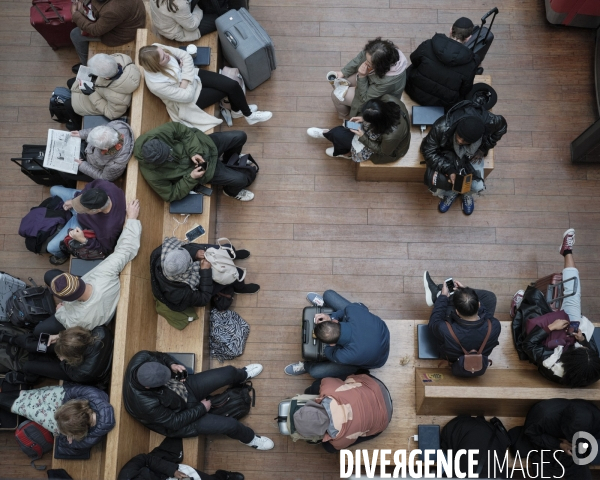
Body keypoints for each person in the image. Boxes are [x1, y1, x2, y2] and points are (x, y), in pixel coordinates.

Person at [122, 350, 274, 450]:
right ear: (149, 388)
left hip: (182, 388)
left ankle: (243, 374)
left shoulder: (141, 358)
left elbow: (160, 356)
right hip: (181, 417)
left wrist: (171, 364)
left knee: (228, 372)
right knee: (231, 425)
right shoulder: (145, 404)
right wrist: (202, 407)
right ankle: (250, 439)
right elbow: (174, 422)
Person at [33, 200, 141, 336]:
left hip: (96, 313)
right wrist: (131, 219)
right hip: (102, 302)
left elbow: (68, 320)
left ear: (68, 300)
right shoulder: (104, 274)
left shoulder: (74, 319)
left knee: (38, 331)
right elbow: (126, 249)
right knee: (50, 275)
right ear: (76, 279)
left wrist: (61, 310)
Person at [515, 229, 600, 387]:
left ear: (569, 361)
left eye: (581, 350)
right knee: (574, 298)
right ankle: (567, 251)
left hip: (547, 344)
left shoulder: (552, 364)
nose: (584, 349)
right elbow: (591, 350)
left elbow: (528, 345)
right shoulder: (592, 367)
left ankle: (518, 309)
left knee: (532, 311)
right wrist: (582, 340)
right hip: (565, 340)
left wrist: (550, 328)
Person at [138, 44, 271, 132]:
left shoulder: (156, 48)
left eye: (164, 53)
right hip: (190, 101)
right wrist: (185, 73)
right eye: (163, 58)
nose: (167, 55)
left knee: (232, 84)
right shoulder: (156, 84)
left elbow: (185, 56)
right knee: (226, 88)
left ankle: (243, 113)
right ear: (157, 66)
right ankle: (243, 113)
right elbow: (187, 96)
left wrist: (184, 79)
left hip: (192, 77)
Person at [421, 100, 507, 215]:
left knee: (477, 185)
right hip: (448, 152)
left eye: (466, 140)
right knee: (441, 184)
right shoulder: (442, 126)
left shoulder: (490, 121)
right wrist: (449, 169)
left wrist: (483, 149)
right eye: (459, 135)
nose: (460, 140)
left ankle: (467, 194)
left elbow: (502, 127)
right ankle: (451, 194)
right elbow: (428, 150)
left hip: (472, 153)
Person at [134, 121, 256, 202]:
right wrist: (191, 178)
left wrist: (194, 152)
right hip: (202, 170)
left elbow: (183, 131)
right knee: (242, 179)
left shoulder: (157, 134)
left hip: (204, 145)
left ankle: (229, 159)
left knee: (240, 136)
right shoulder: (151, 174)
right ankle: (230, 192)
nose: (170, 156)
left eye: (169, 151)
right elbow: (170, 194)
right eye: (166, 159)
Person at [284, 290, 390, 378]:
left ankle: (306, 366)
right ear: (335, 322)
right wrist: (331, 316)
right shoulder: (353, 310)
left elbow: (329, 352)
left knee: (315, 372)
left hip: (378, 360)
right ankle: (324, 306)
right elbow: (363, 308)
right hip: (381, 332)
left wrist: (330, 347)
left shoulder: (344, 356)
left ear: (333, 344)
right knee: (328, 295)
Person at [0, 383, 115, 457]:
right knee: (42, 398)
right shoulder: (95, 395)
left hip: (69, 413)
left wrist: (72, 437)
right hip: (67, 404)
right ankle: (14, 400)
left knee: (38, 412)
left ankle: (13, 401)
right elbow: (72, 391)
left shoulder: (92, 438)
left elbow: (67, 443)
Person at [151, 237, 259, 312]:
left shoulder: (163, 252)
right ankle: (239, 287)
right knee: (236, 274)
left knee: (225, 248)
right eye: (190, 259)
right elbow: (203, 299)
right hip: (197, 285)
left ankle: (231, 254)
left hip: (191, 271)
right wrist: (205, 271)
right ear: (187, 268)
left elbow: (185, 247)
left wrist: (194, 254)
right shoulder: (179, 293)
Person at [294, 373, 392, 452]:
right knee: (317, 385)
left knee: (329, 448)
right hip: (376, 387)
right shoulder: (328, 388)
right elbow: (327, 380)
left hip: (384, 418)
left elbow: (333, 445)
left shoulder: (339, 441)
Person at [424, 271, 502, 365]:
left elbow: (434, 321)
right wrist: (465, 291)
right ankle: (439, 294)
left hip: (452, 358)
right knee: (490, 297)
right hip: (478, 358)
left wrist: (443, 297)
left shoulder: (445, 330)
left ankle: (438, 295)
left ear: (456, 312)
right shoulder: (495, 326)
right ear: (479, 305)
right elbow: (486, 314)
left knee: (450, 297)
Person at [510, 399, 600, 480]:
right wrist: (559, 444)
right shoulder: (542, 414)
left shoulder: (596, 419)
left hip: (573, 452)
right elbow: (531, 434)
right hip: (545, 449)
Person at [405, 17, 480, 111]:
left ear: (450, 30)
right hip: (443, 104)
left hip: (414, 91)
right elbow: (465, 89)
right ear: (468, 38)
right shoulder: (471, 64)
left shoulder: (428, 44)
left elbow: (413, 59)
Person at [47, 179, 127, 264]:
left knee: (51, 248)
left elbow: (104, 250)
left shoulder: (109, 229)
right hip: (82, 199)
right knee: (53, 189)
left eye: (83, 210)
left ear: (96, 210)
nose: (77, 210)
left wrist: (83, 240)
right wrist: (74, 201)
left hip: (80, 225)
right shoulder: (105, 185)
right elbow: (89, 188)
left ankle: (62, 255)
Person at [307, 95, 410, 161]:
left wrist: (362, 136)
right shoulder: (387, 99)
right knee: (347, 126)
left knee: (345, 135)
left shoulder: (390, 136)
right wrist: (363, 117)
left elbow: (382, 151)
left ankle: (347, 153)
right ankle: (328, 133)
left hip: (388, 149)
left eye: (367, 119)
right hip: (379, 131)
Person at [1, 325, 113, 385]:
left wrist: (63, 361)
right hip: (79, 355)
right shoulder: (100, 332)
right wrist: (59, 336)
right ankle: (13, 339)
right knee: (38, 345)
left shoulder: (82, 373)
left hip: (76, 371)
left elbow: (72, 372)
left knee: (28, 366)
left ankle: (29, 379)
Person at [330, 37, 407, 119]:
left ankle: (345, 117)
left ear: (379, 66)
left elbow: (365, 99)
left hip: (377, 96)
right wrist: (343, 72)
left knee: (335, 95)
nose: (364, 62)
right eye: (366, 58)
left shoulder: (389, 81)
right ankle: (347, 105)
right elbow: (360, 57)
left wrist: (362, 77)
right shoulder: (376, 51)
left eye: (369, 63)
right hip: (369, 79)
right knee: (340, 81)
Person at [118, 436, 244, 480]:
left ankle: (223, 476)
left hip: (165, 472)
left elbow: (146, 459)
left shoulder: (127, 475)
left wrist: (172, 471)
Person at [70, 0, 146, 67]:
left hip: (120, 34)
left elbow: (95, 30)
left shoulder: (113, 10)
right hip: (124, 20)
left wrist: (75, 14)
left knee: (75, 34)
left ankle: (85, 65)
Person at [69, 53, 141, 120]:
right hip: (101, 90)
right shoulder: (121, 58)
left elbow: (112, 114)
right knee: (70, 83)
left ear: (106, 78)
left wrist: (92, 94)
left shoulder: (117, 98)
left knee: (69, 104)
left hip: (97, 100)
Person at [67, 121, 135, 182]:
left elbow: (104, 178)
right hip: (90, 154)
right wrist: (81, 134)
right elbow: (98, 131)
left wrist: (82, 165)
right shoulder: (116, 126)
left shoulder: (116, 165)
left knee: (67, 172)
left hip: (92, 168)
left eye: (95, 146)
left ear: (105, 149)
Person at [149, 0, 220, 42]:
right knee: (218, 18)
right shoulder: (178, 4)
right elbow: (192, 26)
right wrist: (198, 9)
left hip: (166, 21)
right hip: (179, 32)